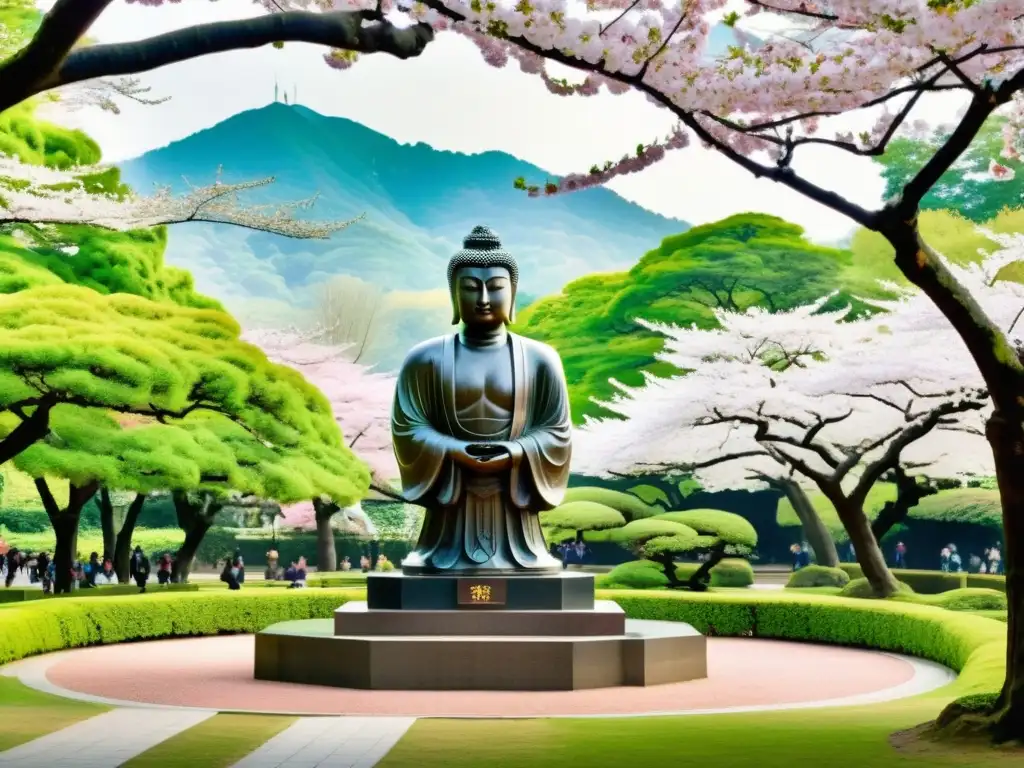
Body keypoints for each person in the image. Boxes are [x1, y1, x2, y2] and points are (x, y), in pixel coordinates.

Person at [391, 226, 571, 576]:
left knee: (522, 554)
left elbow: (557, 430)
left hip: (514, 493)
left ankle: (519, 552)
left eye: (496, 287)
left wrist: (516, 452)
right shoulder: (424, 358)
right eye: (471, 288)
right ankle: (441, 552)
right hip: (451, 497)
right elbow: (407, 427)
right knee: (442, 553)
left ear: (513, 293)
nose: (484, 298)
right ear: (454, 296)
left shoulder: (541, 359)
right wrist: (452, 450)